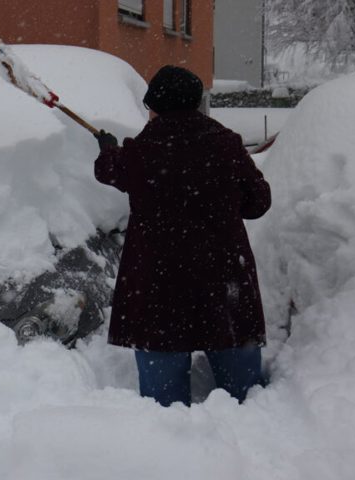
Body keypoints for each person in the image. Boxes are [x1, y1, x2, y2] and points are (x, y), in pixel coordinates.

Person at [93, 65, 271, 407]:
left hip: (160, 283)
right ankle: (248, 419)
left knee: (163, 400)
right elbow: (258, 202)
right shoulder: (226, 144)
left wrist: (107, 147)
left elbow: (107, 170)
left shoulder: (140, 151)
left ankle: (170, 435)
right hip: (223, 279)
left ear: (157, 105)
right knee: (245, 391)